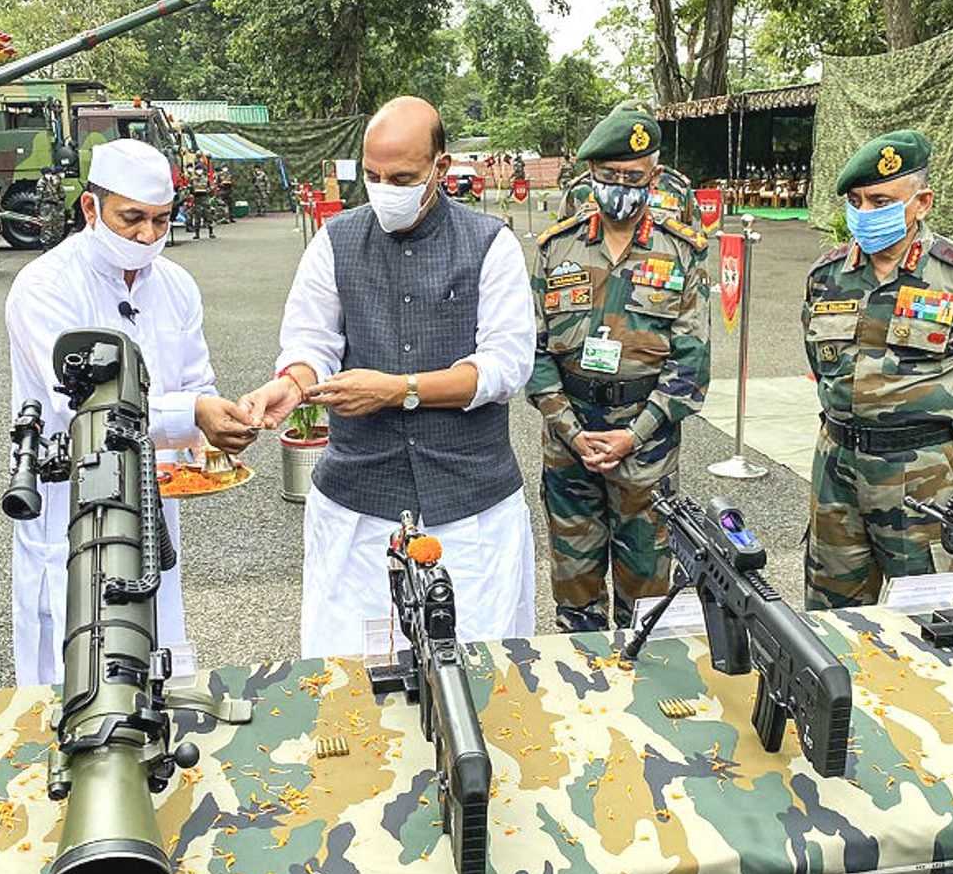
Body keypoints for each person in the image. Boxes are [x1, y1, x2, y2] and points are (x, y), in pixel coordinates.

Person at [239, 96, 537, 658]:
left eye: (401, 179)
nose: (383, 190)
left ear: (440, 168)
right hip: (359, 498)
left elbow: (505, 366)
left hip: (470, 502)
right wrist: (291, 385)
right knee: (354, 670)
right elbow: (311, 342)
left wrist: (400, 391)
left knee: (478, 668)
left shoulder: (490, 244)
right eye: (372, 176)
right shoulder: (334, 241)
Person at [5, 138, 256, 685]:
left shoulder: (177, 285)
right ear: (90, 208)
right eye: (132, 218)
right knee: (73, 659)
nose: (148, 235)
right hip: (71, 498)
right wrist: (194, 413)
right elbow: (79, 404)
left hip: (151, 493)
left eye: (162, 220)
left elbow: (197, 380)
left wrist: (217, 427)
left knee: (156, 645)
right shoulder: (45, 286)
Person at [803, 129, 953, 610]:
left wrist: (951, 440)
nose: (865, 213)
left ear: (922, 203)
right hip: (837, 468)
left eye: (880, 201)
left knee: (925, 615)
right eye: (856, 202)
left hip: (922, 475)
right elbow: (821, 364)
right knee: (830, 616)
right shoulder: (827, 275)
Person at [527, 104, 710, 632]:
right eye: (610, 176)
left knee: (647, 598)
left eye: (634, 177)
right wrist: (571, 431)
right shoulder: (556, 248)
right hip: (569, 446)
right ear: (591, 175)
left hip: (646, 448)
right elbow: (533, 352)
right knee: (575, 593)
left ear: (654, 177)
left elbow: (691, 364)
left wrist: (634, 435)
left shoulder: (680, 253)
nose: (621, 188)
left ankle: (642, 675)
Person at [35, 166, 66, 251]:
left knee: (56, 226)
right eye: (47, 173)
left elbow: (59, 194)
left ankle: (54, 244)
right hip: (46, 207)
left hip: (54, 206)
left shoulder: (54, 181)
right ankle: (46, 246)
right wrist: (37, 207)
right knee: (46, 226)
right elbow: (39, 196)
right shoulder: (42, 182)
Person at [188, 164, 215, 239]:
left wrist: (208, 191)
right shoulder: (192, 179)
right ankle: (197, 234)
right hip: (197, 199)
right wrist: (191, 194)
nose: (199, 171)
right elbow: (189, 189)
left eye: (200, 169)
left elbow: (210, 188)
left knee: (208, 215)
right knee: (197, 217)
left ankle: (211, 232)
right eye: (198, 169)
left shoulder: (206, 178)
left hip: (205, 198)